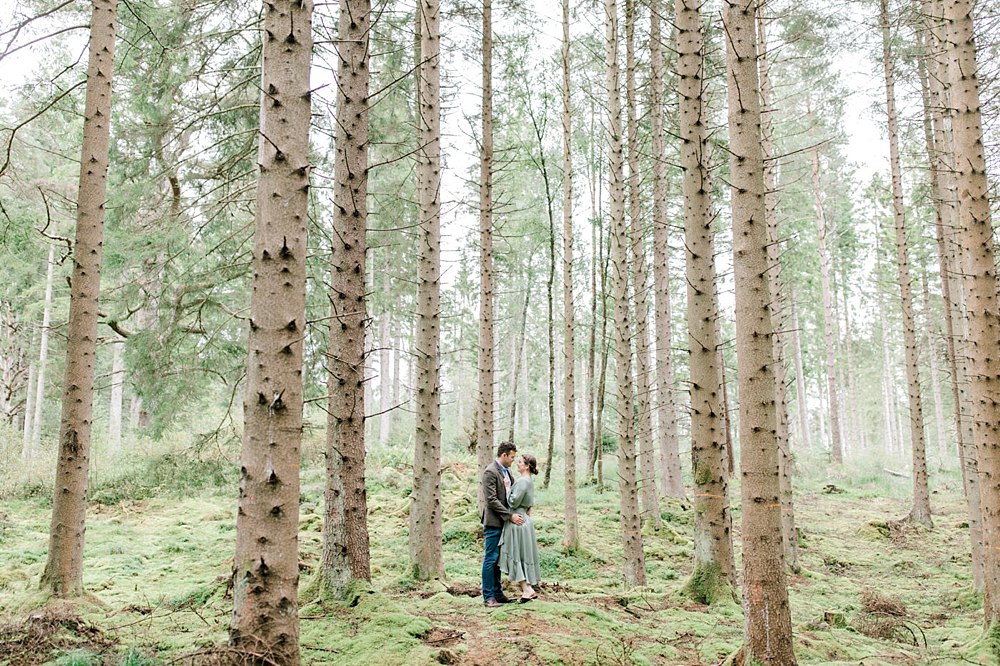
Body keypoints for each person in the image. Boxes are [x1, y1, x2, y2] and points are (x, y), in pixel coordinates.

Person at [481, 441, 524, 608]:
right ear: (504, 455)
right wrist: (510, 516)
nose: (513, 460)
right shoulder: (490, 472)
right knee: (490, 558)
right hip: (494, 522)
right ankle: (488, 597)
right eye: (512, 457)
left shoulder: (507, 472)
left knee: (498, 559)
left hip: (504, 523)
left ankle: (498, 594)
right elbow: (491, 500)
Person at [499, 453, 541, 602]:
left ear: (527, 466)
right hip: (524, 520)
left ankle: (527, 589)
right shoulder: (528, 481)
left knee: (515, 553)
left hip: (517, 521)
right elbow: (529, 503)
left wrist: (507, 488)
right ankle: (527, 588)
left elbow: (513, 502)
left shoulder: (523, 481)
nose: (517, 463)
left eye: (520, 462)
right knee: (521, 554)